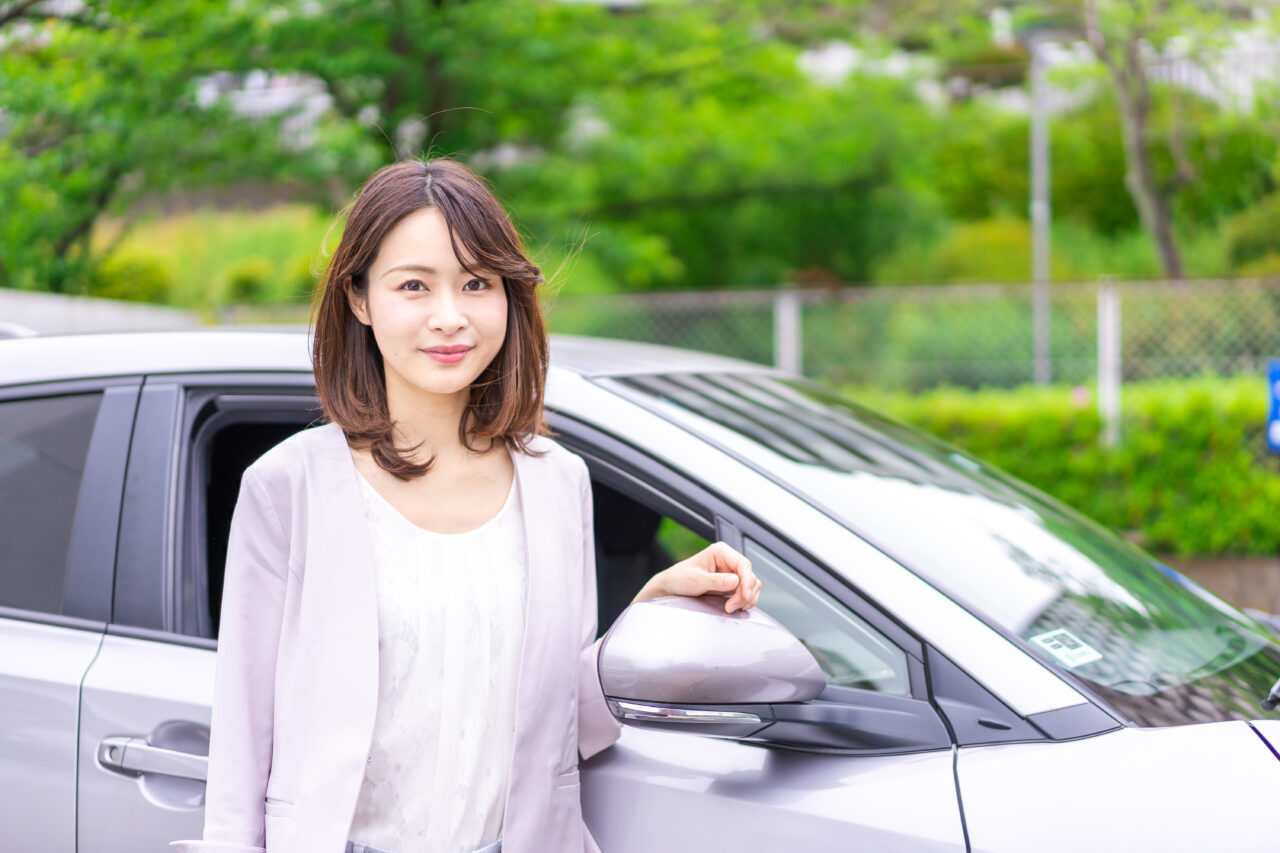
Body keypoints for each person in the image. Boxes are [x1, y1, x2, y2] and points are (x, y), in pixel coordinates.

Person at [171, 157, 760, 853]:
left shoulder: (557, 482)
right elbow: (242, 740)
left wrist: (651, 615)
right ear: (360, 298)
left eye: (476, 283)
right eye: (414, 285)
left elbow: (564, 728)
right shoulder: (288, 487)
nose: (449, 317)